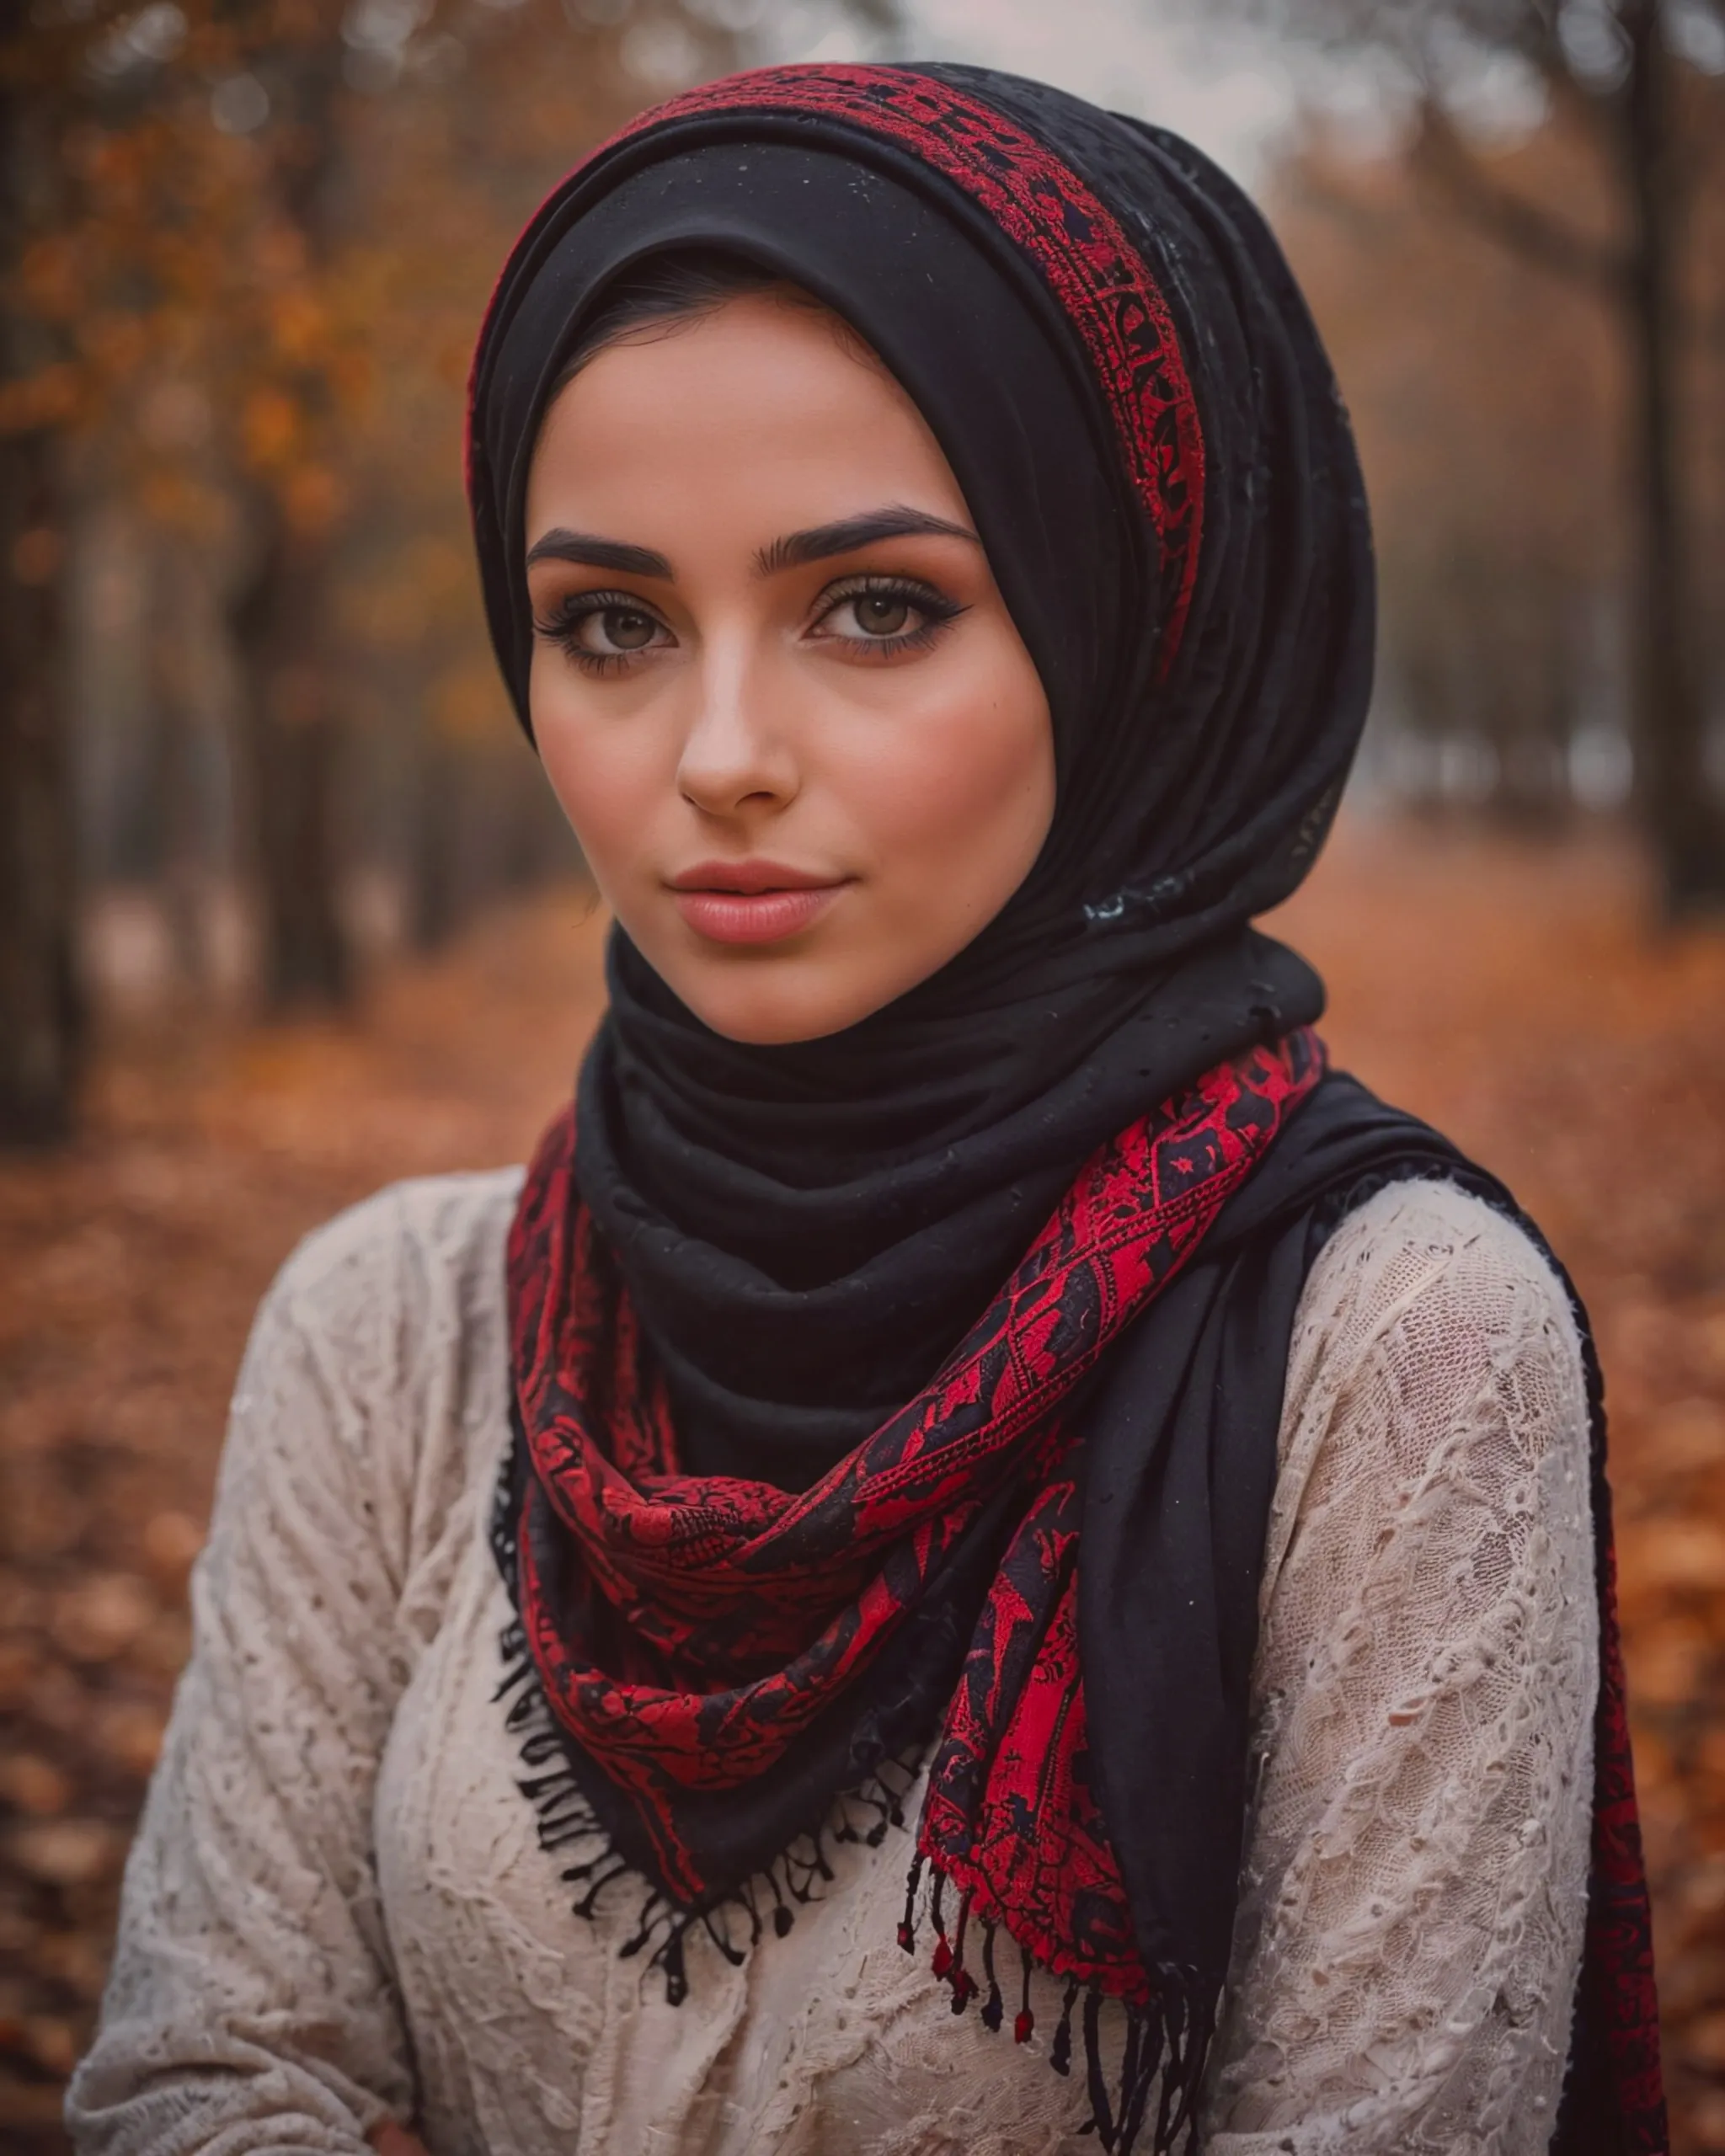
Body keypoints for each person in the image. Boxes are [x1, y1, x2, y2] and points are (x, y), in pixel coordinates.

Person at [68, 62, 1666, 2156]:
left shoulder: (1392, 1352)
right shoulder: (392, 1331)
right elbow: (206, 2081)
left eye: (877, 605)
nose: (715, 751)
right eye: (612, 622)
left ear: (1138, 635)